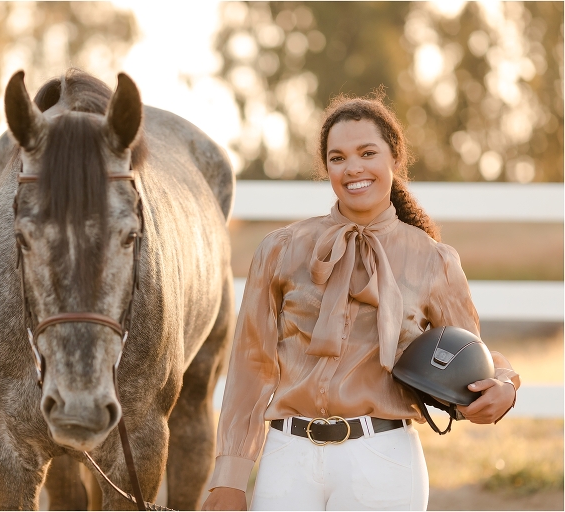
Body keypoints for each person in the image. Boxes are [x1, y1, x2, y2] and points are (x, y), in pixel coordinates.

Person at [202, 93, 520, 511]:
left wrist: (507, 386)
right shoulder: (280, 250)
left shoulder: (432, 259)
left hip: (382, 459)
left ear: (394, 158)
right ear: (327, 168)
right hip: (287, 458)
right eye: (338, 158)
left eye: (367, 153)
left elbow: (469, 351)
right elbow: (251, 367)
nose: (352, 168)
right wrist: (229, 478)